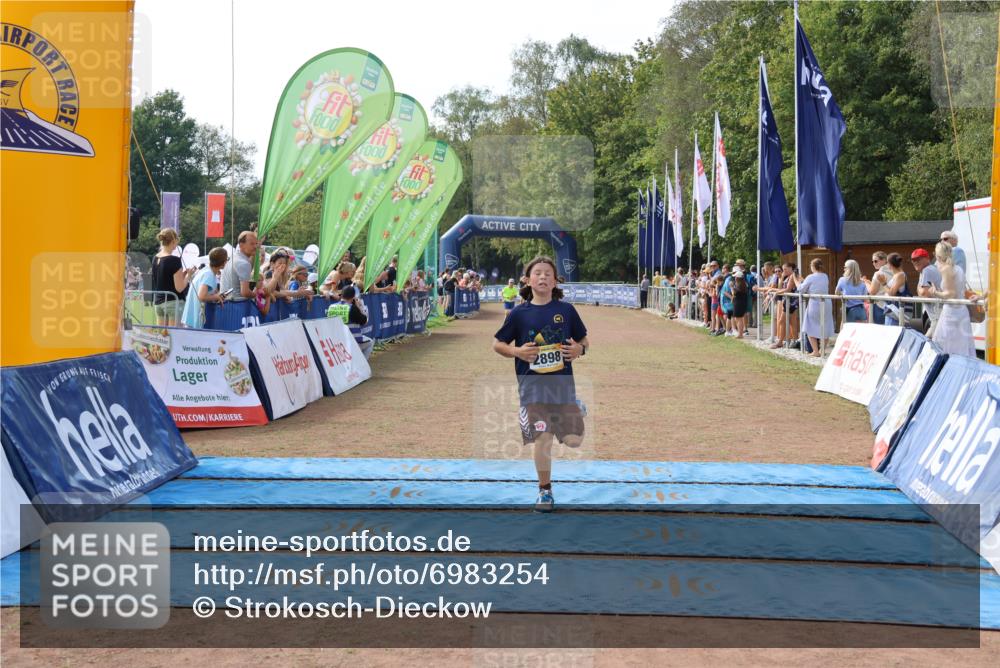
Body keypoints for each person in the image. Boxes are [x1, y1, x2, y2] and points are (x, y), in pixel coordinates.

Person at [493, 256, 589, 513]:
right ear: (527, 279)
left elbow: (585, 341)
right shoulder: (518, 313)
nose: (543, 277)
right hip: (532, 389)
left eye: (548, 273)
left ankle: (577, 409)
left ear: (556, 280)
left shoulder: (566, 310)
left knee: (573, 441)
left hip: (563, 389)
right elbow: (498, 344)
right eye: (538, 273)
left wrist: (579, 349)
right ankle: (545, 491)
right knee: (543, 438)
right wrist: (517, 352)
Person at [927, 242, 976, 357]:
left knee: (946, 346)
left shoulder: (946, 269)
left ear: (938, 256)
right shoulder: (958, 268)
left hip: (951, 312)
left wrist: (935, 292)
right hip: (961, 310)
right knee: (962, 346)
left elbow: (950, 293)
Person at [151, 228, 193, 326]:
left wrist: (182, 275)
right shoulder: (174, 260)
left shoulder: (155, 258)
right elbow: (179, 288)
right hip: (173, 303)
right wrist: (189, 276)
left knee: (161, 337)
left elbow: (163, 279)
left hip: (158, 302)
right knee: (173, 337)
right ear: (173, 241)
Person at [794, 258, 834, 357]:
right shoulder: (825, 276)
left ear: (813, 267)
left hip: (815, 303)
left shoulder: (810, 277)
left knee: (810, 326)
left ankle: (816, 351)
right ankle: (822, 350)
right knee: (825, 325)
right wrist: (804, 281)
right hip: (826, 302)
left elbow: (801, 289)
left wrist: (796, 279)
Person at [182, 248, 227, 328]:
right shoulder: (209, 274)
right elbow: (201, 296)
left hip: (191, 318)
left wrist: (216, 295)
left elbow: (206, 292)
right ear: (223, 263)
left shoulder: (205, 271)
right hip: (196, 319)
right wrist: (216, 296)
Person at [327, 285, 374, 359]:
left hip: (335, 341)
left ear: (341, 295)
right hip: (352, 341)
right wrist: (360, 307)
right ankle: (362, 364)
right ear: (353, 297)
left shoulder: (331, 307)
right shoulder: (352, 308)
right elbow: (365, 321)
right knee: (370, 342)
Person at [220, 230, 260, 302]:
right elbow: (245, 292)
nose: (256, 246)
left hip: (226, 305)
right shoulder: (243, 263)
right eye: (252, 244)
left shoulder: (233, 258)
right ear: (241, 245)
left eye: (256, 243)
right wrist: (258, 295)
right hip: (237, 307)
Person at [911, 248, 942, 337]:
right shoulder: (928, 269)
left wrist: (920, 289)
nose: (915, 262)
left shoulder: (927, 270)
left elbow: (924, 294)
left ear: (927, 259)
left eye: (918, 259)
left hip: (938, 316)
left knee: (928, 344)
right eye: (913, 260)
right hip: (938, 316)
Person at [864, 251, 893, 325]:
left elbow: (872, 291)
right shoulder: (893, 271)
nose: (874, 263)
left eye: (876, 261)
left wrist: (866, 283)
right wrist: (870, 283)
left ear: (884, 260)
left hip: (879, 305)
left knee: (880, 330)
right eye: (872, 261)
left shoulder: (878, 273)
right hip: (892, 305)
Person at [836, 259, 868, 324]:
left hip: (848, 309)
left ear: (848, 269)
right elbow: (865, 299)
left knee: (845, 329)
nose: (844, 269)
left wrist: (843, 294)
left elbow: (836, 292)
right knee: (862, 331)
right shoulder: (862, 282)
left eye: (845, 267)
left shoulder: (842, 280)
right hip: (860, 309)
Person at [728, 271, 749, 338]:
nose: (735, 278)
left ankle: (740, 334)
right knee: (739, 318)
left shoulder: (740, 284)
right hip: (740, 303)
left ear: (737, 278)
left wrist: (731, 287)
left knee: (739, 318)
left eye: (735, 277)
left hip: (739, 303)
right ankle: (740, 333)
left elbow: (734, 293)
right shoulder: (742, 284)